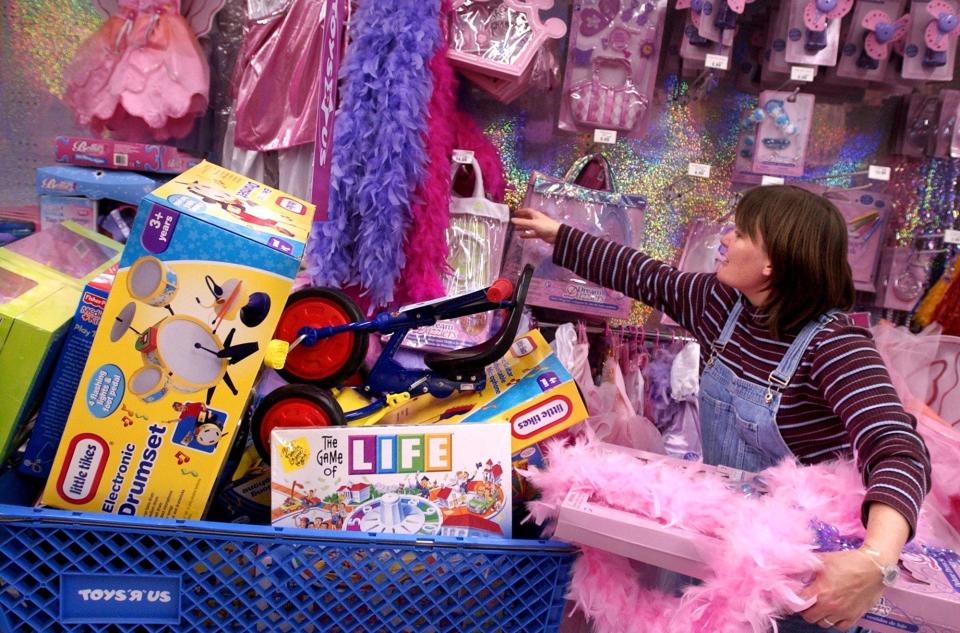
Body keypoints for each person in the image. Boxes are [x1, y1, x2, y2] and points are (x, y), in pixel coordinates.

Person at [512, 185, 931, 632]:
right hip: (717, 540)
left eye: (741, 231)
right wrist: (560, 235)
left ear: (773, 262)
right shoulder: (721, 303)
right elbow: (646, 276)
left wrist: (875, 561)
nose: (725, 239)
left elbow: (898, 448)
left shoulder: (837, 348)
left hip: (793, 573)